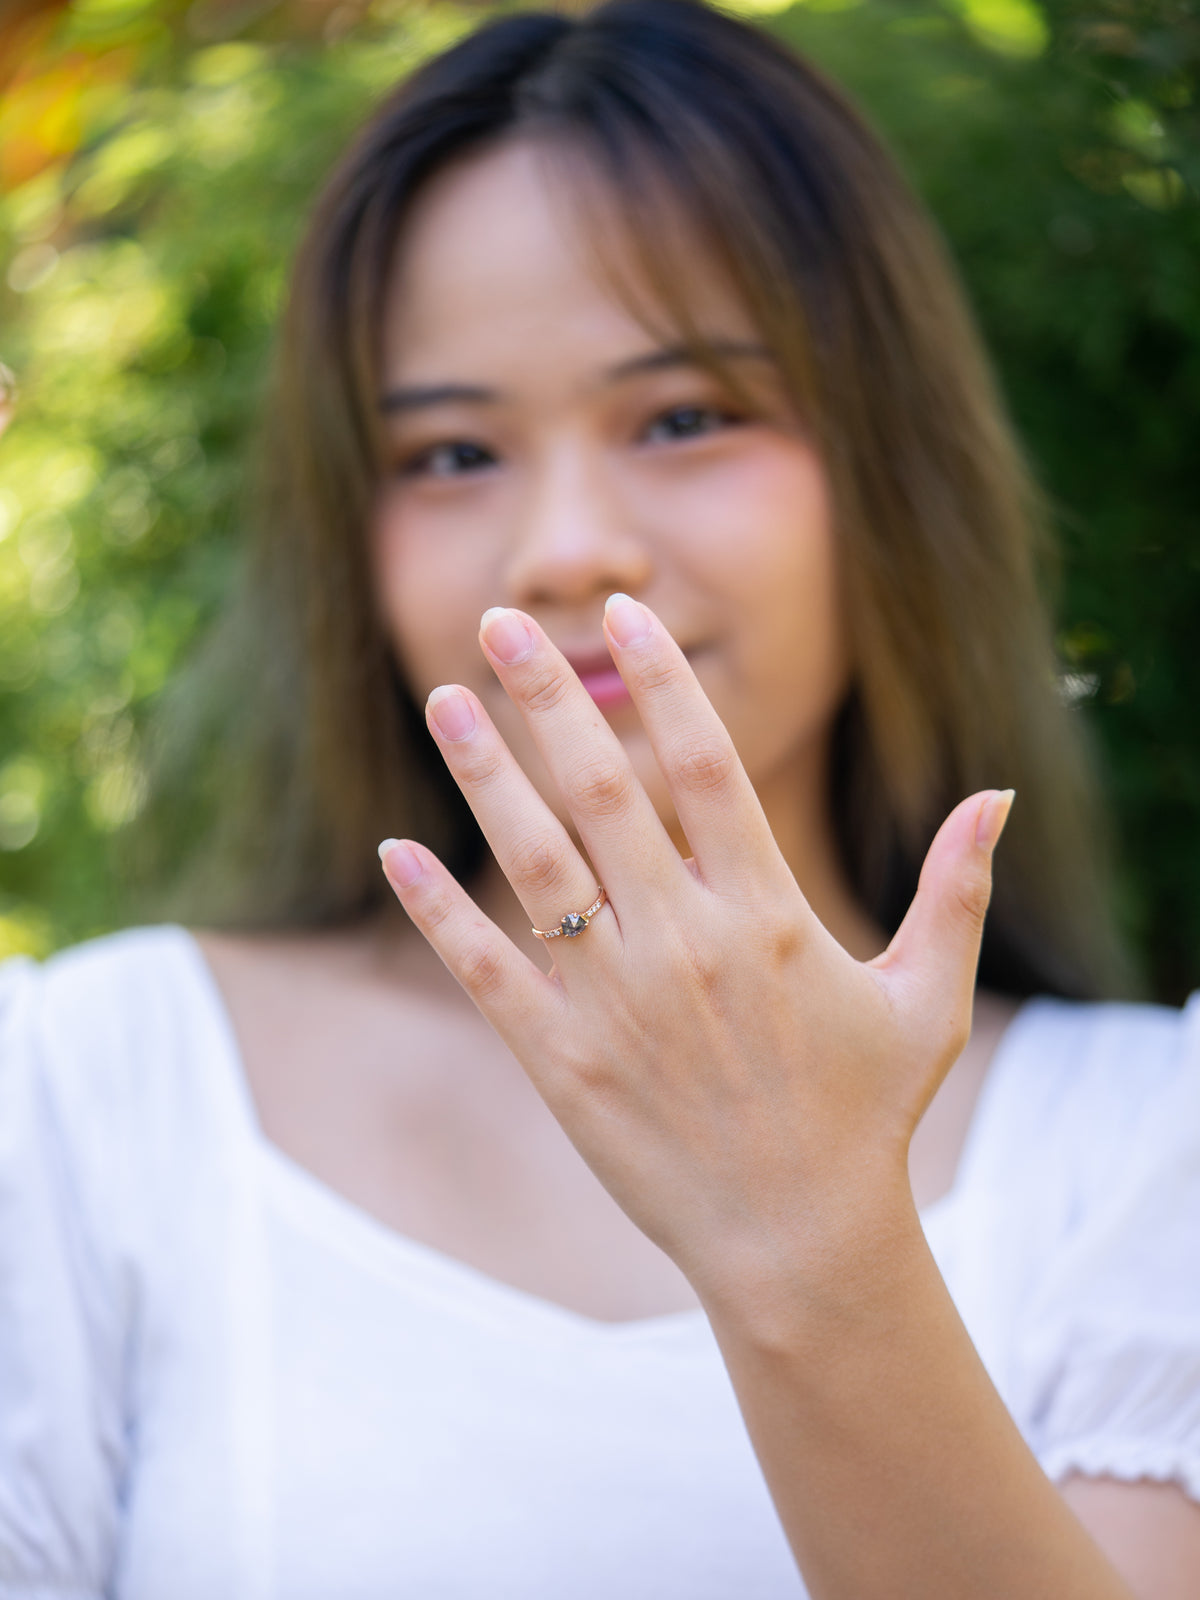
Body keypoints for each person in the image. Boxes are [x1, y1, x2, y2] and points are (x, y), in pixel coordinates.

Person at [1, 1, 1197, 1595]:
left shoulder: (1144, 1142)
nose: (566, 543)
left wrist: (811, 1241)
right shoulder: (90, 1092)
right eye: (447, 453)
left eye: (687, 417)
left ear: (889, 473)